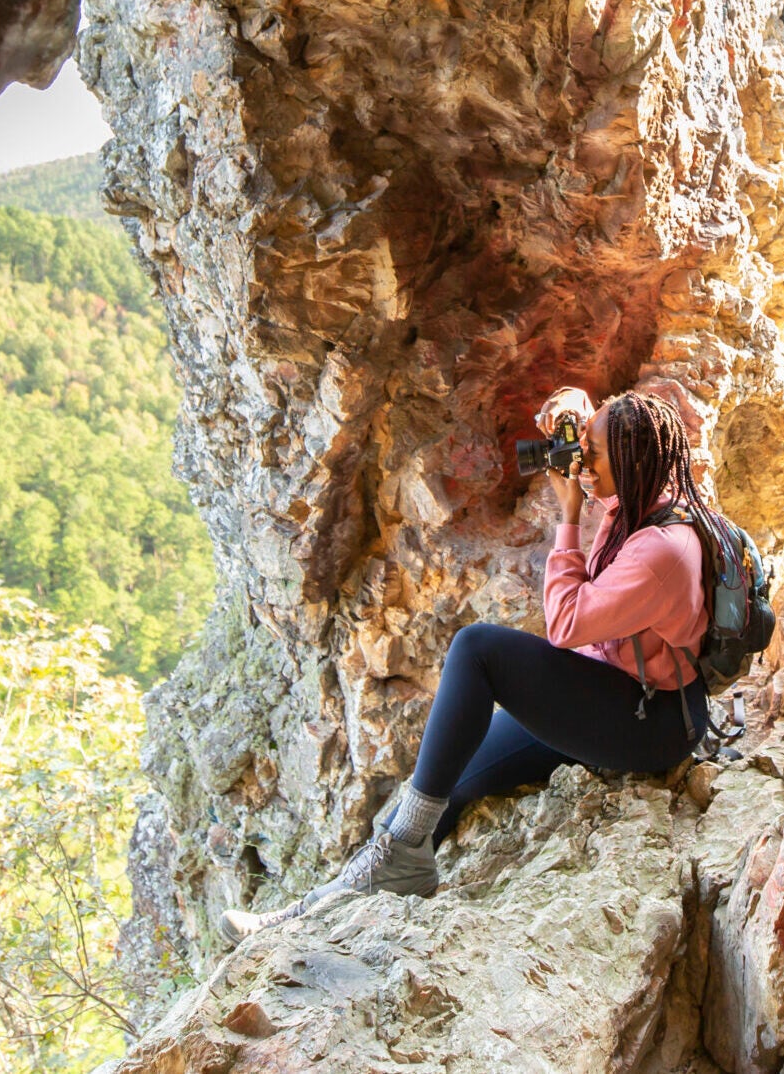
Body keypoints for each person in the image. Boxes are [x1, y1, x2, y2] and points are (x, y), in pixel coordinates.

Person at [223, 385, 713, 940]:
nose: (581, 461)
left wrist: (569, 517)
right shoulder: (646, 494)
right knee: (443, 776)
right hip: (614, 688)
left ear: (632, 461)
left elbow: (566, 625)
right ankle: (325, 906)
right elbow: (604, 419)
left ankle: (392, 859)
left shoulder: (662, 550)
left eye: (594, 453)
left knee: (477, 649)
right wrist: (574, 408)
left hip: (651, 722)